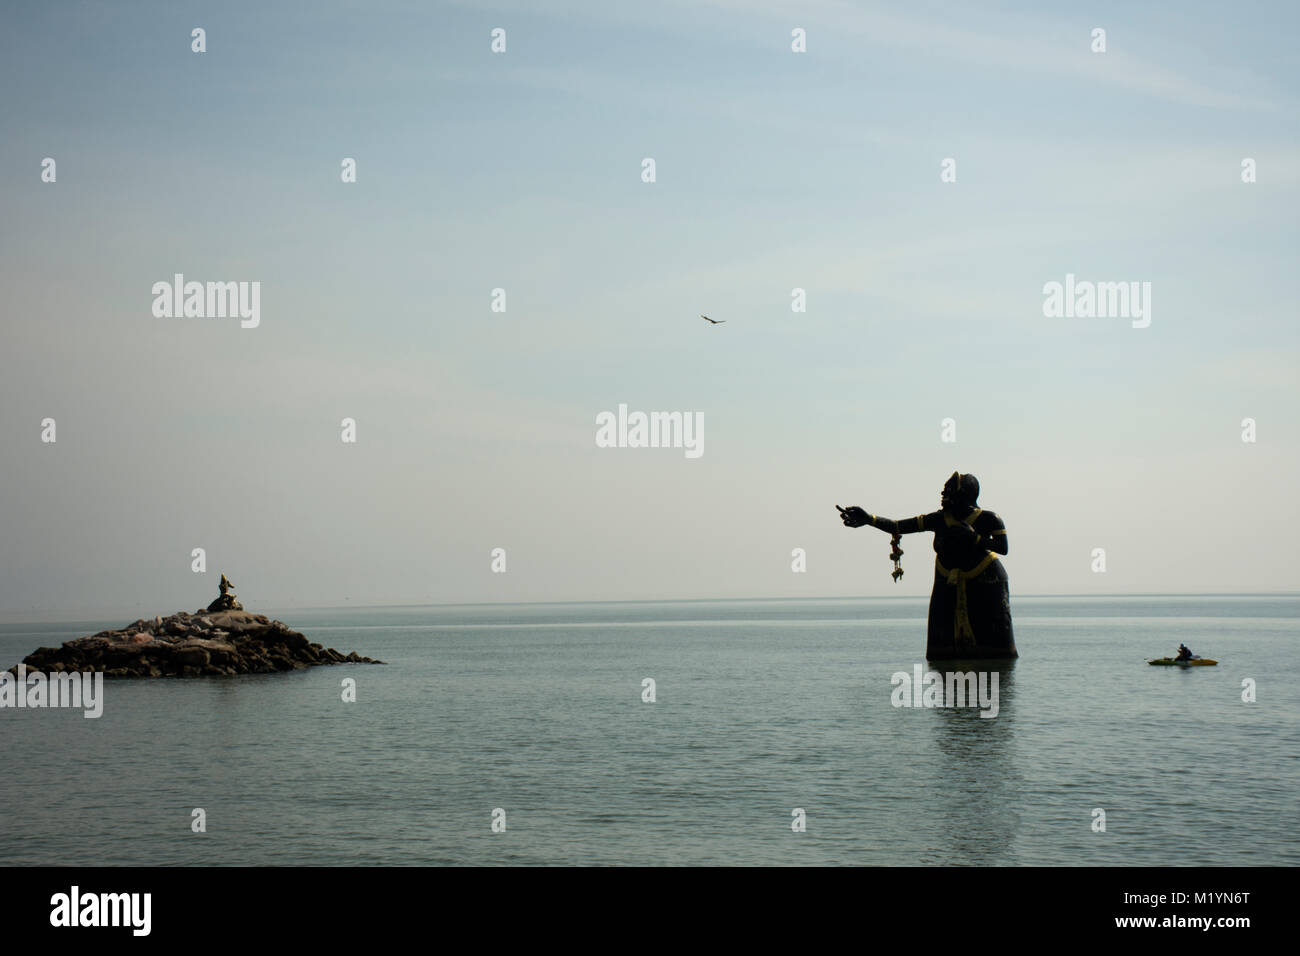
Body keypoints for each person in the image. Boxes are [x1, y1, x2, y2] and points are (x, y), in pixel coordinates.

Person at [838, 472, 1016, 659]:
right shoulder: (938, 519)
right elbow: (898, 526)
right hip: (946, 580)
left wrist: (975, 538)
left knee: (993, 642)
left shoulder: (988, 519)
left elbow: (1002, 548)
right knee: (942, 645)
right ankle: (946, 679)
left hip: (986, 581)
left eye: (948, 490)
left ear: (964, 494)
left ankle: (993, 675)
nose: (942, 494)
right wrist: (868, 519)